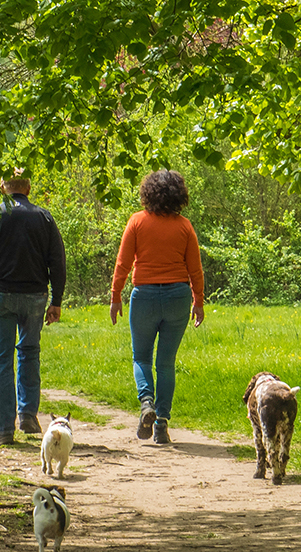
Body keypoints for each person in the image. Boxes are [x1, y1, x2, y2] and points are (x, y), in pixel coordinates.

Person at [0, 169, 66, 444]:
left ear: (2, 187)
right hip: (35, 296)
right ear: (28, 189)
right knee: (29, 352)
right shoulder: (44, 217)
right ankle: (28, 414)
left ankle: (4, 429)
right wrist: (56, 300)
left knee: (0, 359)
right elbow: (57, 260)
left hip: (1, 295)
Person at [110, 169, 205, 445]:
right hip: (178, 296)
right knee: (165, 363)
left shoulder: (137, 221)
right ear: (179, 195)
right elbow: (195, 269)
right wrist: (198, 301)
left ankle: (146, 402)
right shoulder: (185, 226)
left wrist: (116, 296)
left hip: (145, 296)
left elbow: (123, 263)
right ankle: (162, 423)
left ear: (148, 193)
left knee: (141, 357)